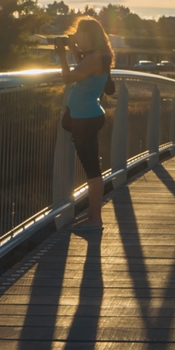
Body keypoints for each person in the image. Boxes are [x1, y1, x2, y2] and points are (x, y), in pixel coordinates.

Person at [55, 15, 113, 229]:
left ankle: (95, 219)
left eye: (79, 33)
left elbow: (69, 77)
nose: (75, 36)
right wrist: (72, 51)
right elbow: (84, 71)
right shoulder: (95, 57)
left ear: (89, 35)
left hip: (86, 118)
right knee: (91, 168)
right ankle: (92, 215)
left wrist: (62, 56)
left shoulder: (95, 57)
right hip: (86, 116)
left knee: (92, 170)